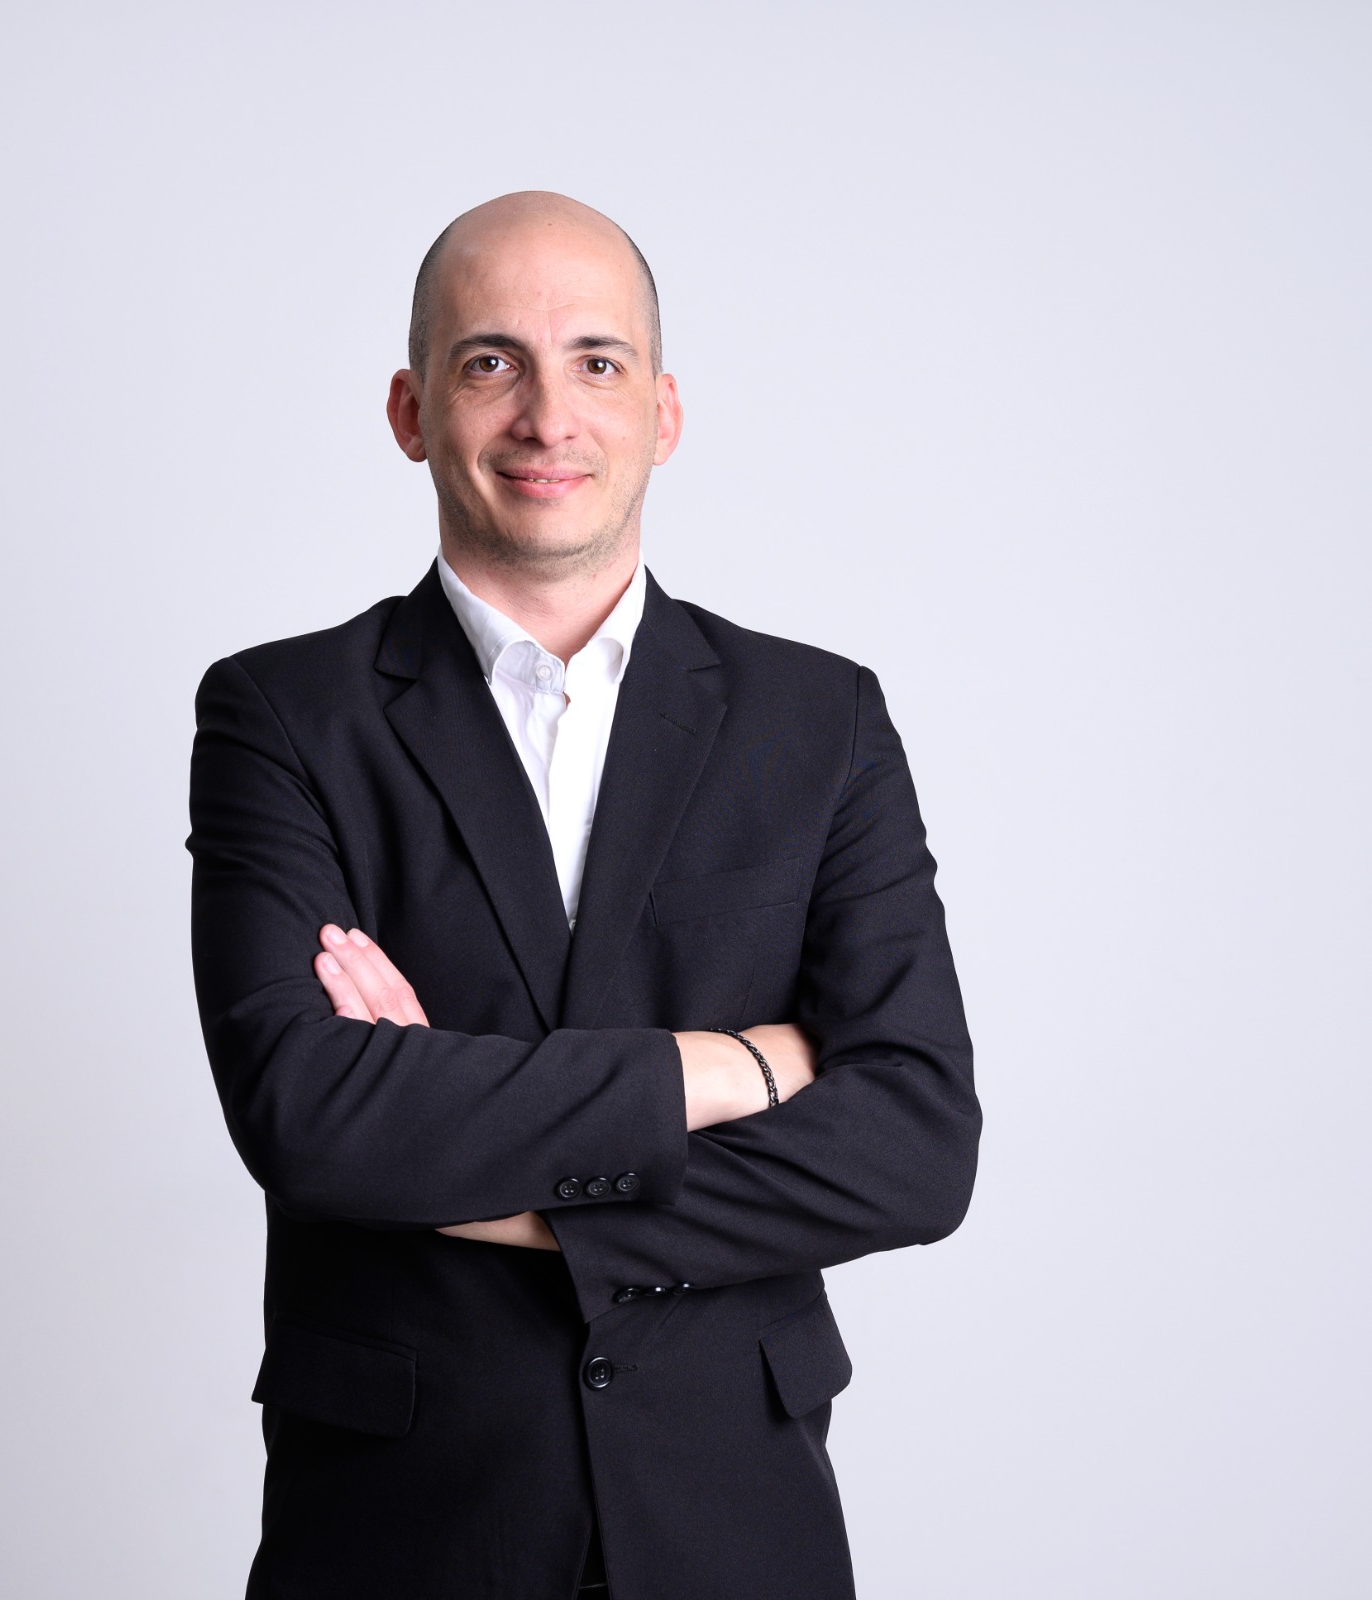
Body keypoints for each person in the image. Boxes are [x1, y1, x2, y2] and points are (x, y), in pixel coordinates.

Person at [186, 190, 979, 1600]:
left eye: (597, 362)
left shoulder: (820, 720)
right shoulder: (284, 716)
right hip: (401, 1530)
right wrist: (724, 1069)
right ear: (411, 411)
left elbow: (915, 1144)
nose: (548, 416)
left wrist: (476, 1168)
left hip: (734, 1527)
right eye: (491, 361)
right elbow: (309, 1118)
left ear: (661, 413)